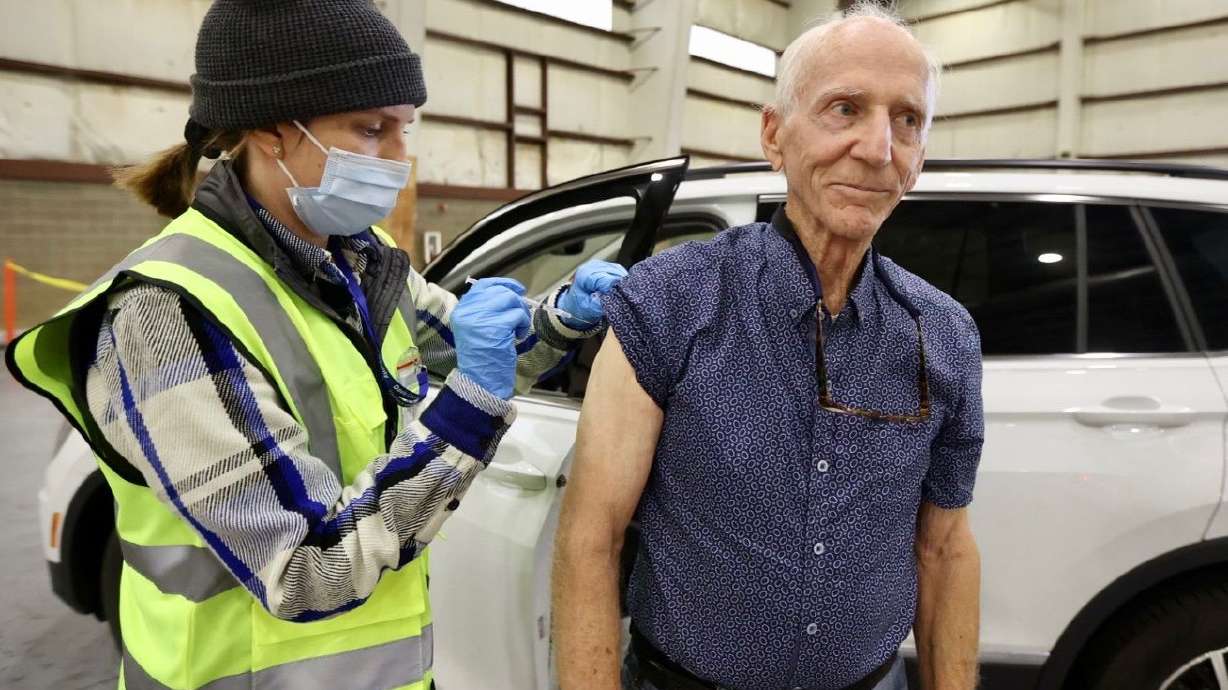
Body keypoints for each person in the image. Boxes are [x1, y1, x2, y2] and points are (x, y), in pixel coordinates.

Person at [5, 1, 624, 688]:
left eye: (403, 130)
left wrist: (561, 319)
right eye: (371, 129)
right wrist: (469, 405)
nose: (398, 159)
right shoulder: (166, 315)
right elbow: (306, 569)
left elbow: (472, 350)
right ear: (272, 129)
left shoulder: (362, 263)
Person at [552, 4, 983, 690]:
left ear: (921, 154)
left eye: (907, 119)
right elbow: (590, 540)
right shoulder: (670, 304)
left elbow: (946, 549)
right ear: (775, 135)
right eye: (845, 107)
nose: (878, 148)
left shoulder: (946, 337)